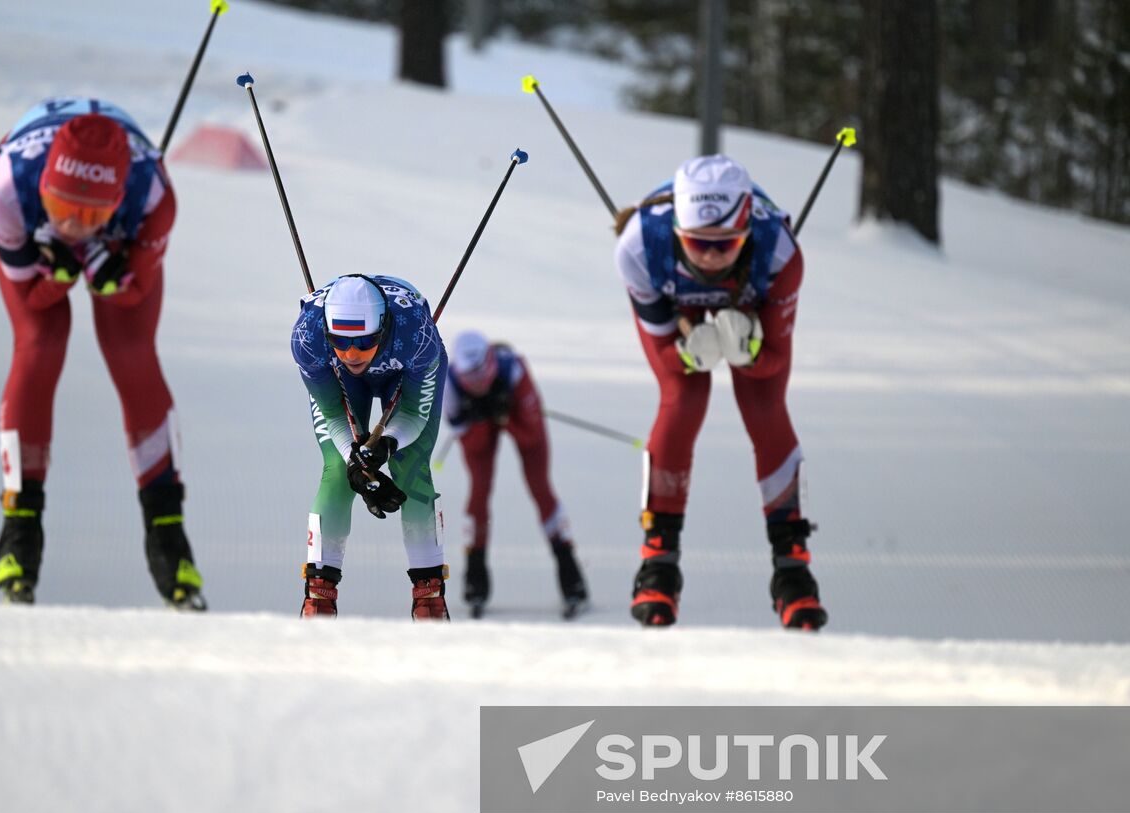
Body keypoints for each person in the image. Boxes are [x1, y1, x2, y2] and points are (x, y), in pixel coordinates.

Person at [0, 97, 204, 609]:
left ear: (117, 200)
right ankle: (19, 531)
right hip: (44, 206)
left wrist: (111, 275)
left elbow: (131, 295)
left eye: (89, 215)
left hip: (123, 232)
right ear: (44, 190)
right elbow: (32, 300)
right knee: (41, 343)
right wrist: (57, 275)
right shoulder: (8, 193)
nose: (74, 227)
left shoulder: (153, 198)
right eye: (62, 208)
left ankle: (169, 540)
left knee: (131, 351)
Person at [613, 153, 826, 630]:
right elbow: (667, 359)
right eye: (697, 244)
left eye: (725, 244)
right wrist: (689, 354)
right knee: (683, 398)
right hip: (677, 307)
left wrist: (749, 352)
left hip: (751, 300)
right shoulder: (639, 247)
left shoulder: (780, 252)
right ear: (677, 233)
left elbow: (774, 361)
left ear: (747, 230)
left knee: (765, 405)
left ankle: (793, 568)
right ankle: (658, 562)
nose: (710, 256)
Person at [291, 274, 449, 620]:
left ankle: (430, 597)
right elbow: (333, 412)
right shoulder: (309, 339)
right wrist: (354, 459)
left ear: (383, 326)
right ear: (327, 331)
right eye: (341, 341)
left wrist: (386, 446)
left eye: (364, 342)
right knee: (337, 473)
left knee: (411, 471)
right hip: (341, 382)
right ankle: (318, 596)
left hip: (406, 371)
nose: (352, 354)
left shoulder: (416, 335)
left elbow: (412, 411)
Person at [444, 330, 587, 618]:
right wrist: (482, 420)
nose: (478, 383)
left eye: (482, 374)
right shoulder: (448, 388)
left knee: (540, 489)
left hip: (515, 414)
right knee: (479, 492)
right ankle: (475, 577)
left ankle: (570, 573)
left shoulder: (514, 372)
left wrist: (504, 416)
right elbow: (472, 443)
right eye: (470, 378)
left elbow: (532, 436)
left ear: (491, 363)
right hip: (483, 424)